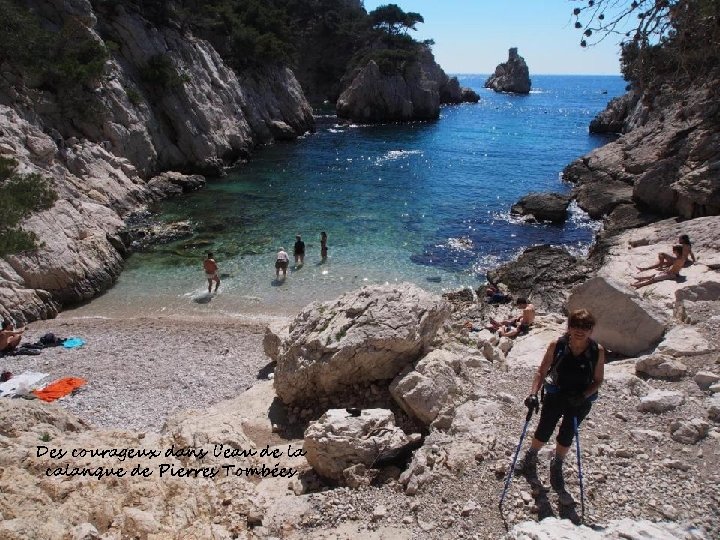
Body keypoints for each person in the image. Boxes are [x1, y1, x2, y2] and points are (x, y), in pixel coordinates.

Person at [517, 309, 605, 500]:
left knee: (567, 434)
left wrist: (584, 395)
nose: (580, 330)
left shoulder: (596, 351)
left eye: (585, 327)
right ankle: (530, 456)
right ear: (569, 326)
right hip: (556, 394)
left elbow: (598, 380)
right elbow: (541, 371)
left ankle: (557, 464)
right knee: (544, 428)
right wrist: (533, 394)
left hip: (579, 400)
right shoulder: (557, 345)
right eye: (576, 326)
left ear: (591, 330)